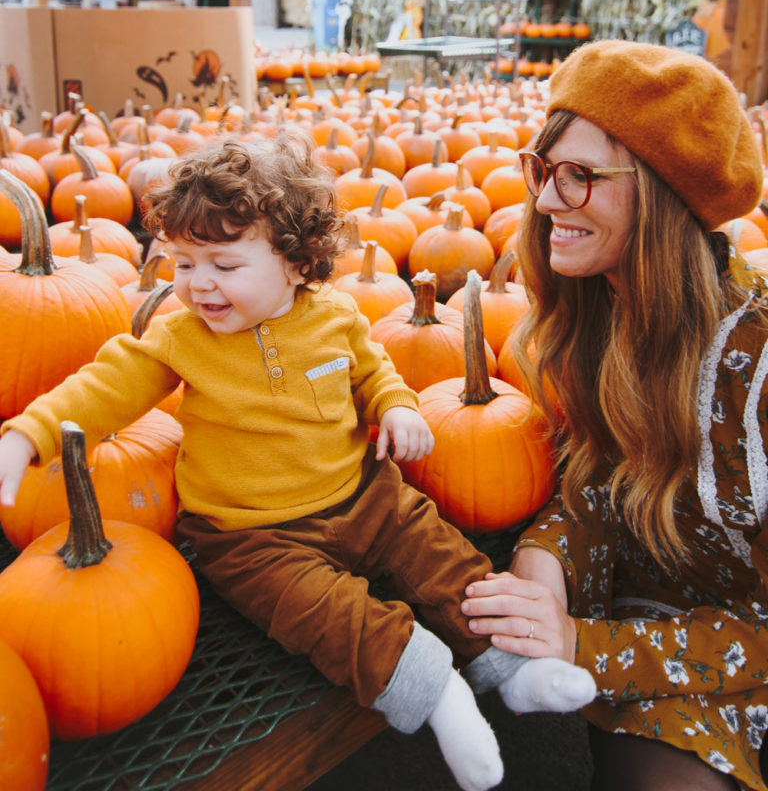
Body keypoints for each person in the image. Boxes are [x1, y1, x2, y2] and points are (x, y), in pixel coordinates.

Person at [0, 133, 596, 791]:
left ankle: (509, 668)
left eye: (223, 265)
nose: (199, 284)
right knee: (327, 613)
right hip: (249, 535)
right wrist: (28, 435)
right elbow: (99, 389)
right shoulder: (176, 336)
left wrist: (398, 410)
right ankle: (439, 697)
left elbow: (377, 375)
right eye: (184, 264)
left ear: (293, 261)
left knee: (440, 554)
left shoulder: (337, 315)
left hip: (363, 496)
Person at [461, 39, 768, 790]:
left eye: (580, 177)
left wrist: (584, 645)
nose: (542, 203)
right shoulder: (590, 318)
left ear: (662, 194)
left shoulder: (759, 369)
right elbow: (596, 489)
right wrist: (546, 560)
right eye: (544, 169)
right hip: (641, 629)